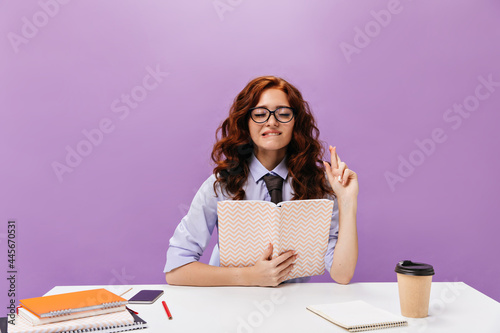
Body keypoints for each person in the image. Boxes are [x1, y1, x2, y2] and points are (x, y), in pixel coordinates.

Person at [164, 76, 358, 287]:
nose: (272, 121)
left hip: (295, 306)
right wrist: (249, 276)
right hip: (231, 305)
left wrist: (347, 201)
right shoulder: (220, 185)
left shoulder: (318, 185)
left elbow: (342, 274)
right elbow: (176, 270)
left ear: (296, 123)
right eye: (259, 114)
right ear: (246, 123)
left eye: (283, 113)